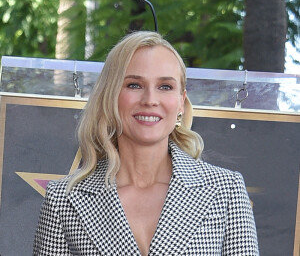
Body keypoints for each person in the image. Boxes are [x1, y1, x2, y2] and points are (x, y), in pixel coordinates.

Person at [33, 31, 259, 255]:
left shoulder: (225, 190)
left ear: (181, 102)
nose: (150, 100)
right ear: (109, 95)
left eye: (165, 87)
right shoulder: (64, 199)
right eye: (134, 85)